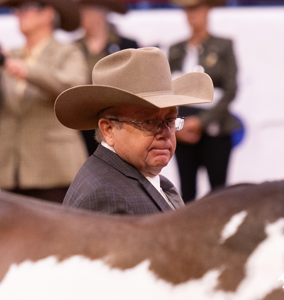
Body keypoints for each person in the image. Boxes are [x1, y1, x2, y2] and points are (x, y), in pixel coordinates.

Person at [54, 47, 214, 215]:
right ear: (108, 130)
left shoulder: (130, 178)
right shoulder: (105, 196)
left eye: (170, 120)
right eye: (149, 122)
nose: (165, 133)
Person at [0, 0, 89, 203]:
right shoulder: (10, 56)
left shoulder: (68, 52)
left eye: (25, 9)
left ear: (48, 14)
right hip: (8, 172)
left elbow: (74, 89)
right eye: (16, 10)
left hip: (54, 169)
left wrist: (26, 70)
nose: (18, 15)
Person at [168, 0, 239, 203]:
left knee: (219, 193)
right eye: (187, 10)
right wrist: (178, 126)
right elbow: (167, 91)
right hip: (183, 128)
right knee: (186, 192)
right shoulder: (176, 49)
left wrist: (202, 122)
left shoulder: (223, 45)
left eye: (197, 8)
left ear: (208, 10)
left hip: (214, 126)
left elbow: (231, 90)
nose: (192, 15)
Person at [76, 0, 139, 156]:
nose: (83, 15)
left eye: (88, 9)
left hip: (119, 122)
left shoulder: (127, 46)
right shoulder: (72, 48)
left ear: (103, 12)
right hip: (82, 125)